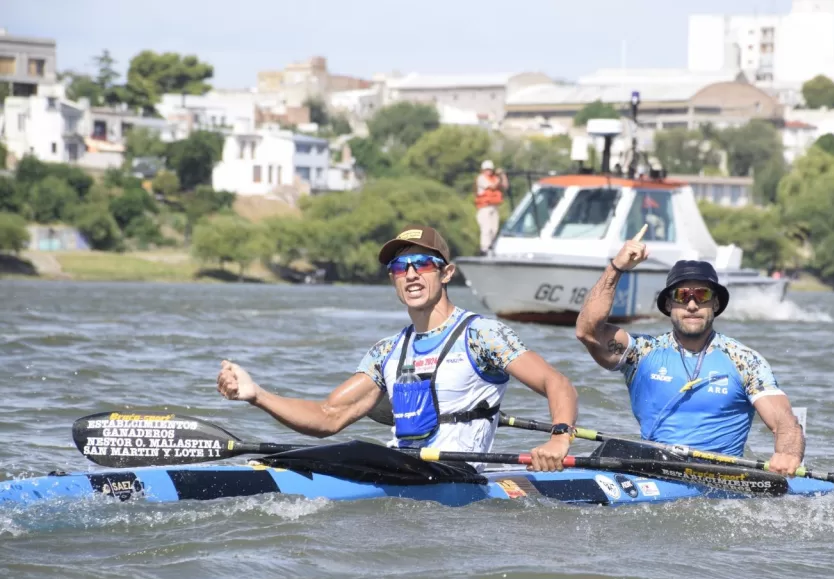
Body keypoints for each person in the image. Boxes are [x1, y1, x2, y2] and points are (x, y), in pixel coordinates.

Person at [217, 225, 578, 472]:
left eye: (422, 263)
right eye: (399, 267)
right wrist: (255, 394)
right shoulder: (386, 352)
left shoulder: (481, 335)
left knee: (355, 456)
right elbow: (328, 417)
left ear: (447, 273)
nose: (411, 274)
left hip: (457, 475)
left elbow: (557, 383)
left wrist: (559, 440)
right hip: (402, 468)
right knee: (331, 454)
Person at [574, 235, 804, 475]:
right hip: (655, 471)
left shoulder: (744, 361)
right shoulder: (642, 353)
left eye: (702, 296)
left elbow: (784, 422)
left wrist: (787, 455)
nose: (692, 305)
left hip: (720, 479)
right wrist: (616, 268)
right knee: (614, 449)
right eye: (683, 296)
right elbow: (587, 331)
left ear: (715, 304)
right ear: (669, 305)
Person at [475, 160, 508, 255]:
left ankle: (490, 248)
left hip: (494, 207)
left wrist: (503, 175)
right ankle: (484, 249)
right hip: (484, 208)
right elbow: (493, 187)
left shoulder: (495, 178)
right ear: (483, 170)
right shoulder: (481, 178)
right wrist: (499, 178)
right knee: (486, 228)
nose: (488, 171)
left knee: (494, 229)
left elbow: (505, 186)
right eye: (486, 169)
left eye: (489, 169)